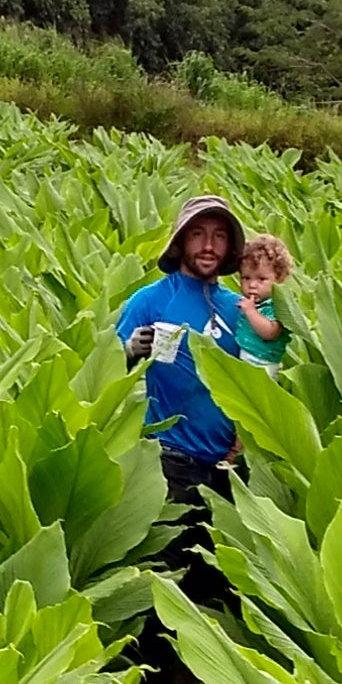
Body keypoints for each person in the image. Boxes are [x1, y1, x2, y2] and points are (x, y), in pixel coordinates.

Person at [114, 194, 246, 508]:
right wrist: (130, 349)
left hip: (227, 468)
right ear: (181, 241)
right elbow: (103, 372)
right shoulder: (150, 300)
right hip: (170, 461)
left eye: (219, 236)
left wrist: (244, 441)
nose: (209, 246)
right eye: (198, 234)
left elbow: (257, 378)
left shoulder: (239, 310)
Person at [225, 233, 292, 368]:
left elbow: (270, 332)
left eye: (261, 279)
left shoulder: (275, 306)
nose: (252, 285)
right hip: (245, 357)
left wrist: (251, 311)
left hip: (262, 363)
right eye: (246, 278)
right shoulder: (252, 302)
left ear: (279, 279)